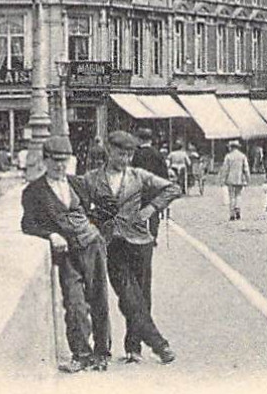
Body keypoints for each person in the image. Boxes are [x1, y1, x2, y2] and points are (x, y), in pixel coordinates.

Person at [78, 130, 182, 364]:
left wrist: (150, 209)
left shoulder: (138, 176)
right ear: (108, 150)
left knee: (142, 296)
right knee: (127, 294)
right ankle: (159, 344)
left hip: (140, 242)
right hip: (112, 243)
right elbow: (78, 205)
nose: (124, 159)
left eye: (128, 155)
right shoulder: (92, 179)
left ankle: (134, 348)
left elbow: (173, 189)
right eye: (119, 154)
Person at [20, 136, 110, 372]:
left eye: (64, 161)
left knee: (99, 299)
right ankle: (81, 354)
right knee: (75, 303)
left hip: (92, 245)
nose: (60, 166)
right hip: (68, 254)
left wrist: (96, 229)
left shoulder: (77, 183)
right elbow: (27, 224)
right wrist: (50, 235)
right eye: (55, 161)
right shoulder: (34, 191)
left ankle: (102, 353)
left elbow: (99, 207)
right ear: (45, 160)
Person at [222, 139, 251, 221]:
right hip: (240, 178)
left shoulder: (228, 156)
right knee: (238, 195)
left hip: (230, 178)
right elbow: (246, 168)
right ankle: (238, 209)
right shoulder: (242, 156)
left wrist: (223, 178)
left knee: (231, 196)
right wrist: (248, 178)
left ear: (231, 147)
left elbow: (225, 169)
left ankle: (232, 214)